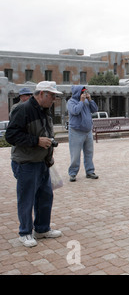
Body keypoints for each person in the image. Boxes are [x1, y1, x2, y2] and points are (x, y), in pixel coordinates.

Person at [5, 81, 63, 247]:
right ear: (42, 94)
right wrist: (36, 141)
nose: (54, 99)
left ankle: (42, 229)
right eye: (52, 95)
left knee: (46, 196)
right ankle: (25, 232)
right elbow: (11, 136)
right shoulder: (23, 109)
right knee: (26, 199)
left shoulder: (44, 110)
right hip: (26, 163)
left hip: (42, 162)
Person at [67, 85, 99, 182]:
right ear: (78, 93)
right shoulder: (71, 102)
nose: (84, 94)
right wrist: (81, 101)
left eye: (85, 92)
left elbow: (95, 110)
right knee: (75, 154)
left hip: (87, 131)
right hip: (76, 132)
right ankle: (72, 173)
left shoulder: (86, 101)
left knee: (89, 153)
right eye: (82, 92)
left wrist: (90, 100)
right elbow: (75, 111)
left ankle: (90, 171)